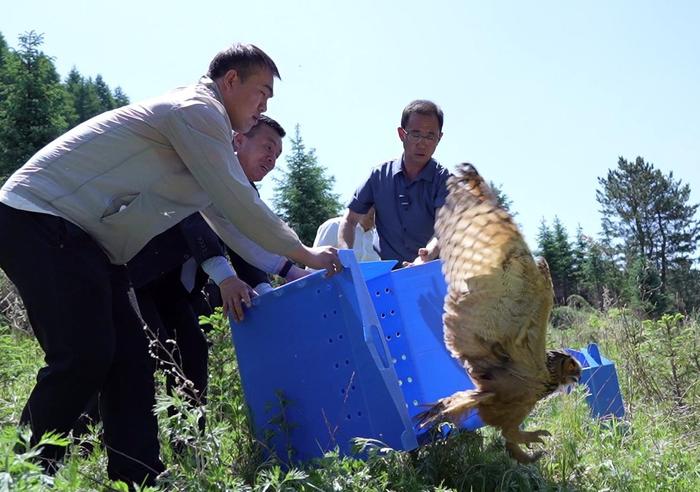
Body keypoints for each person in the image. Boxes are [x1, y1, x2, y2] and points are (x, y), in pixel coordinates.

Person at [0, 43, 341, 486]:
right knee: (84, 354)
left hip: (89, 243)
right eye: (261, 92)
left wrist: (293, 267)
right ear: (230, 81)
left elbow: (229, 223)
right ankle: (22, 474)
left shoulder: (207, 133)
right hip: (42, 218)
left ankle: (138, 477)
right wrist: (307, 253)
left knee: (131, 365)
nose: (263, 106)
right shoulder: (197, 111)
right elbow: (240, 204)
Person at [338, 100, 450, 266]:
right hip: (384, 275)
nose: (422, 142)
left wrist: (427, 255)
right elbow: (349, 220)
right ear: (401, 134)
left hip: (430, 274)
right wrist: (345, 254)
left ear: (439, 138)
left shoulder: (445, 181)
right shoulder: (378, 176)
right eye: (416, 134)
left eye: (430, 136)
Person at [313, 207, 380, 262]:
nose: (375, 212)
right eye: (373, 206)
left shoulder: (378, 238)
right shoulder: (334, 225)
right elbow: (314, 263)